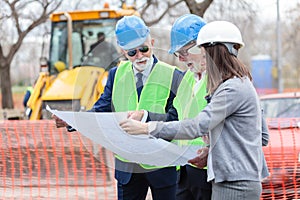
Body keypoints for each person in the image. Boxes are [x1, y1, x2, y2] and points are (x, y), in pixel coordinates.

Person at [120, 21, 269, 200]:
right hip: (204, 172)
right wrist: (211, 150)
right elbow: (257, 135)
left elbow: (196, 127)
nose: (182, 58)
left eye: (187, 52)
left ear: (213, 52)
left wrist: (146, 128)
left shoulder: (232, 88)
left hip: (231, 179)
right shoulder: (229, 83)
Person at [53, 15, 183, 200]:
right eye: (132, 52)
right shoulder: (115, 75)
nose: (139, 56)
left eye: (144, 49)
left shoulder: (173, 76)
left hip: (162, 166)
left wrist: (146, 116)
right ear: (122, 51)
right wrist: (73, 120)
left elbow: (176, 119)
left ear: (151, 42)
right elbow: (101, 110)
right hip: (128, 166)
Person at [168, 14, 212, 200]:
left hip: (208, 170)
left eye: (184, 53)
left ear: (201, 47)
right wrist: (145, 119)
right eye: (178, 54)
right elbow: (173, 117)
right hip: (185, 169)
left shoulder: (220, 80)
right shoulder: (186, 78)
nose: (181, 59)